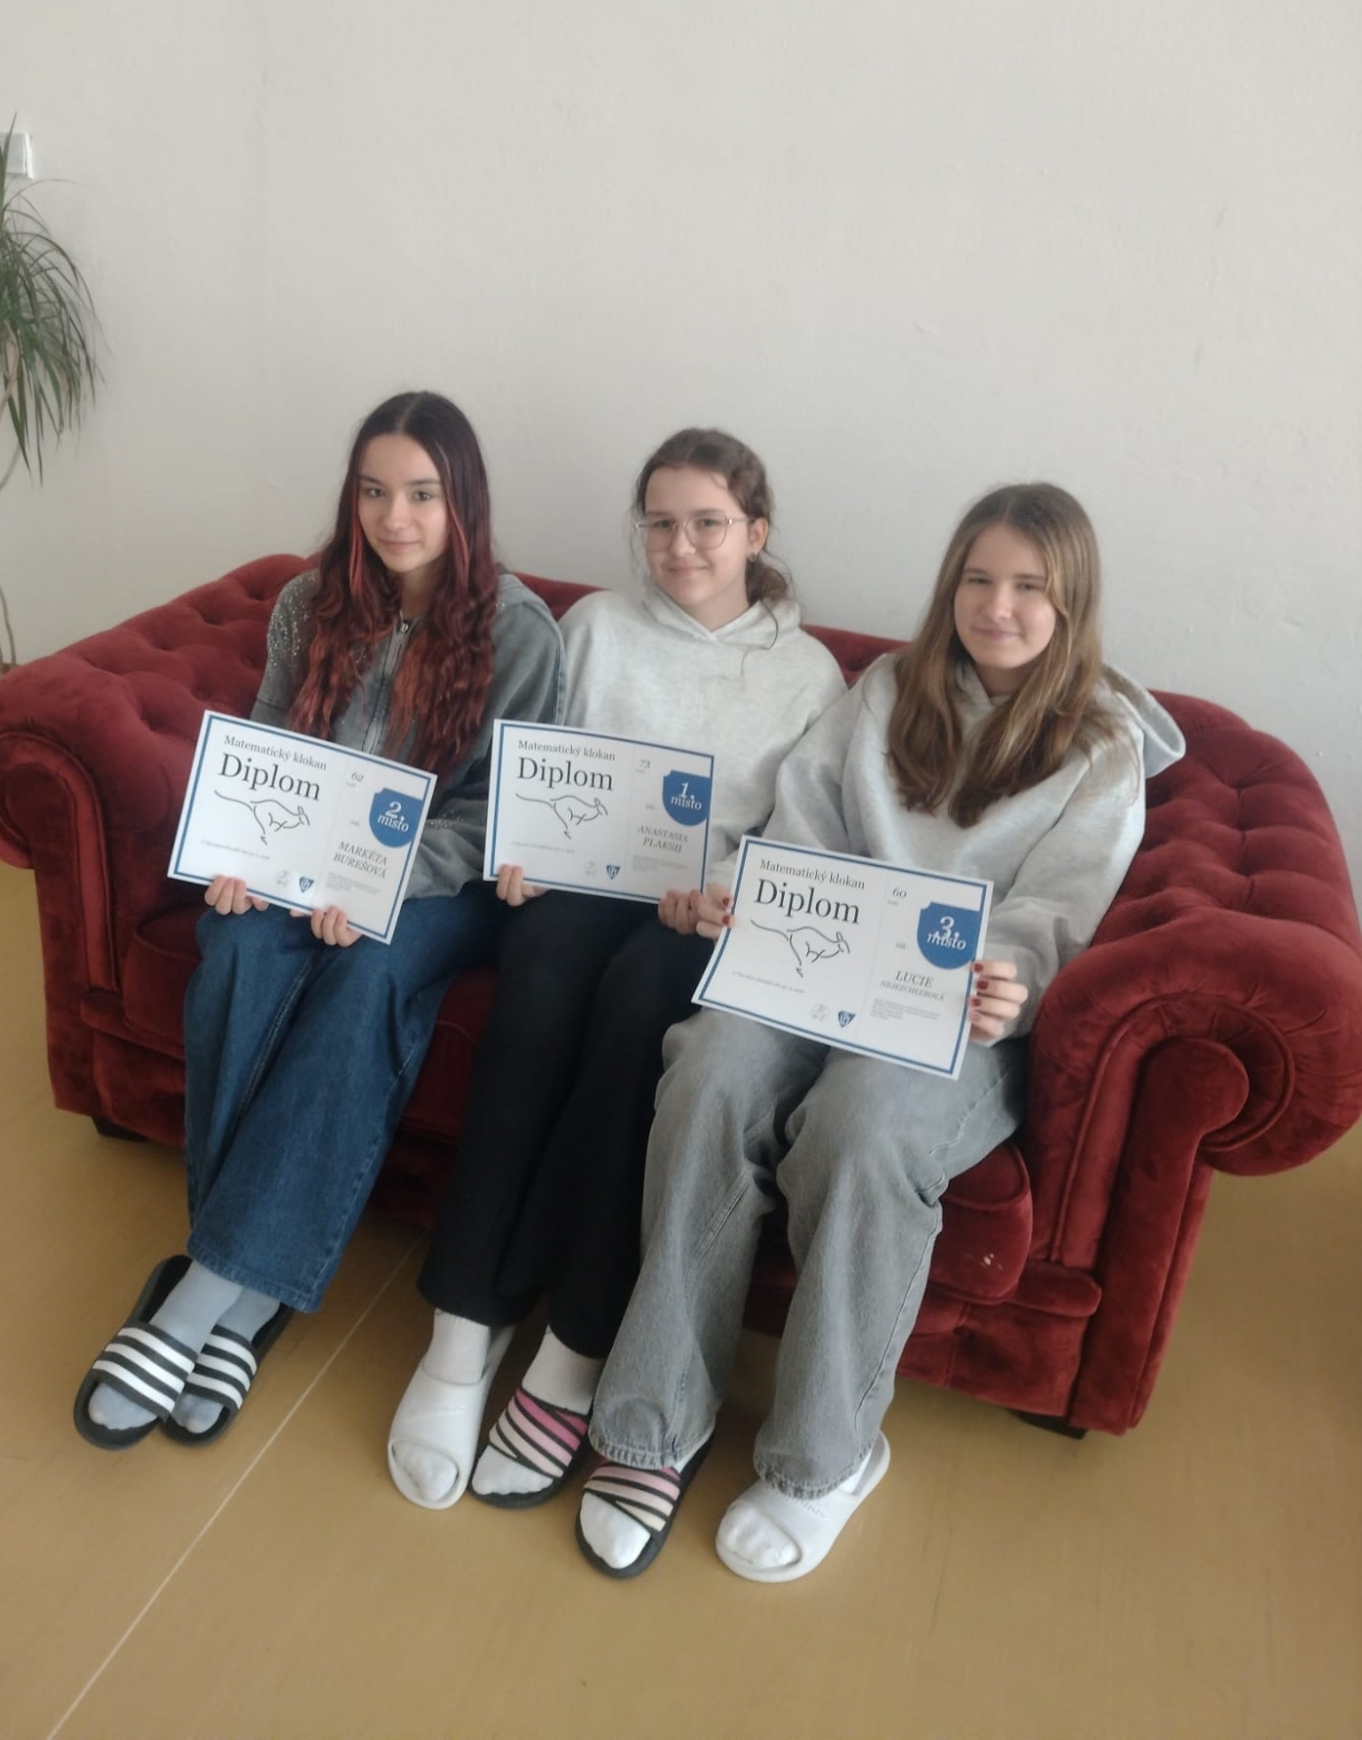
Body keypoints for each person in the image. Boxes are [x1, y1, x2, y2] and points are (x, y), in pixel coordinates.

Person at [576, 481, 1185, 1581]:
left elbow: (1060, 909)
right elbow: (804, 830)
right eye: (977, 579)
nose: (997, 605)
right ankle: (656, 1414)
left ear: (1071, 601)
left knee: (861, 1129)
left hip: (959, 1018)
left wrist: (1017, 979)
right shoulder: (889, 691)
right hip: (817, 971)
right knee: (708, 1070)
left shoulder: (1100, 746)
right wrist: (748, 901)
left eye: (1029, 587)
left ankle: (826, 1457)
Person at [73, 391, 565, 1450]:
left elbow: (498, 817)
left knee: (365, 977)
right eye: (375, 491)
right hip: (302, 865)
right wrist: (243, 860)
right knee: (236, 945)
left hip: (438, 887)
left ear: (464, 501)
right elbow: (268, 751)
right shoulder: (311, 602)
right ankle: (248, 1293)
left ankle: (198, 1298)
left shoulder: (519, 629)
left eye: (422, 494)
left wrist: (382, 885)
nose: (395, 517)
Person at [386, 428, 847, 1510]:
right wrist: (517, 851)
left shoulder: (810, 674)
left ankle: (574, 1347)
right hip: (582, 885)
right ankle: (462, 1329)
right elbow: (537, 773)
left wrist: (721, 891)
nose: (681, 546)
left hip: (706, 912)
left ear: (756, 531)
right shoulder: (592, 627)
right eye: (661, 524)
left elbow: (803, 835)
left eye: (708, 523)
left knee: (645, 1012)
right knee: (541, 983)